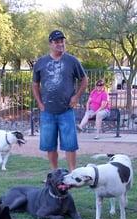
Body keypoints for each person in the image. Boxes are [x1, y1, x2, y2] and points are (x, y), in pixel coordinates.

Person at [32, 30, 88, 171]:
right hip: (47, 112)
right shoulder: (41, 62)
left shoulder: (72, 61)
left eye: (62, 41)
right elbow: (35, 84)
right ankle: (55, 173)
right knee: (49, 146)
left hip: (66, 111)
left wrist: (76, 97)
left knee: (70, 145)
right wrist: (39, 103)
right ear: (50, 44)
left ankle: (72, 173)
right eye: (57, 41)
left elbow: (84, 79)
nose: (60, 44)